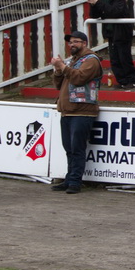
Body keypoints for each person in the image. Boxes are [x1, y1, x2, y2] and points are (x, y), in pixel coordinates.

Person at [50, 31, 102, 194]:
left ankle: (75, 182)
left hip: (82, 111)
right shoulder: (73, 61)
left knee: (77, 148)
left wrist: (62, 67)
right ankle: (69, 179)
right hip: (68, 111)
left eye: (76, 42)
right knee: (69, 149)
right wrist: (58, 69)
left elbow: (79, 78)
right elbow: (58, 85)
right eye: (70, 42)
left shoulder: (91, 60)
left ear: (84, 43)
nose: (72, 45)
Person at [86, 0, 135, 89]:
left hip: (122, 31)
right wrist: (93, 4)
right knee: (114, 59)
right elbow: (95, 15)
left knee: (124, 57)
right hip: (111, 32)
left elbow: (115, 12)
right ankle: (122, 81)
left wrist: (98, 2)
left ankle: (134, 80)